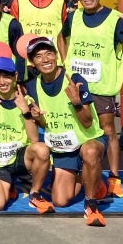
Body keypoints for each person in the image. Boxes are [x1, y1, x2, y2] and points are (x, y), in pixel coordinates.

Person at [61, 0, 123, 197]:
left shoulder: (115, 19)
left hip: (101, 87)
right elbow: (61, 37)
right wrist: (65, 62)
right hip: (75, 86)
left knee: (108, 132)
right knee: (77, 129)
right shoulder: (73, 17)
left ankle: (114, 177)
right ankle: (80, 170)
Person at [24, 36, 108, 227]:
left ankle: (91, 204)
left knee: (90, 151)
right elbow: (46, 126)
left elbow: (87, 123)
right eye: (38, 56)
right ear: (32, 62)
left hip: (89, 140)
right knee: (60, 201)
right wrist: (37, 117)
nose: (45, 59)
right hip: (64, 148)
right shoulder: (32, 86)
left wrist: (77, 103)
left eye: (49, 53)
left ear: (56, 55)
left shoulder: (74, 79)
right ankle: (91, 178)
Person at [0, 57, 51, 212]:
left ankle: (35, 193)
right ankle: (4, 184)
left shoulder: (26, 100)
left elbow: (34, 139)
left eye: (6, 76)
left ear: (15, 77)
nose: (2, 81)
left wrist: (26, 112)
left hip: (20, 158)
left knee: (42, 149)